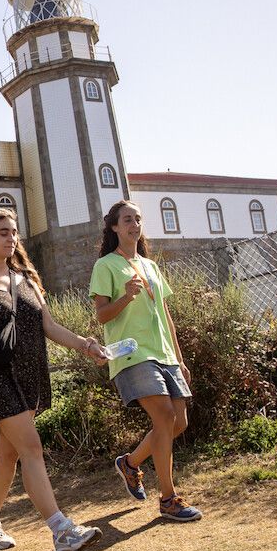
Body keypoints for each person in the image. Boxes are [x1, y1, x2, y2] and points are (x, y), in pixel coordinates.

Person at [0, 207, 109, 551]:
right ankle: (61, 530)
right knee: (32, 449)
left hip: (30, 374)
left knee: (8, 456)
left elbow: (48, 326)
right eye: (3, 232)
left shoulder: (26, 279)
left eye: (14, 231)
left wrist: (86, 345)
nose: (11, 238)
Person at [90, 200, 202, 522]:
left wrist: (179, 360)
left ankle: (130, 463)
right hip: (132, 353)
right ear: (114, 227)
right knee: (164, 415)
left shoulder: (150, 266)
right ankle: (168, 499)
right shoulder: (106, 266)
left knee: (178, 423)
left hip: (165, 353)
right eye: (127, 220)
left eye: (138, 219)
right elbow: (101, 315)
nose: (134, 225)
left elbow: (166, 316)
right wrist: (125, 296)